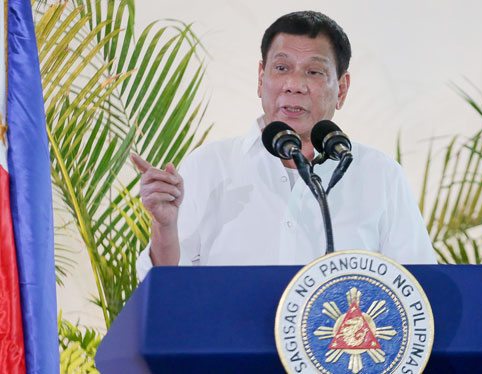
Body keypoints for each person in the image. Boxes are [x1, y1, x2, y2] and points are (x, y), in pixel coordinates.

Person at [133, 11, 437, 281]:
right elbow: (165, 289)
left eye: (314, 72)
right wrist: (164, 228)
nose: (294, 84)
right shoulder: (209, 166)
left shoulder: (379, 175)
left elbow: (417, 290)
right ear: (260, 77)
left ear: (342, 88)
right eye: (281, 68)